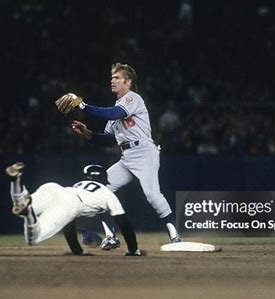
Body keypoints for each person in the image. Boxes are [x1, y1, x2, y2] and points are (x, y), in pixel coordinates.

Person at [55, 63, 183, 249]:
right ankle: (110, 236)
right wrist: (88, 133)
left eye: (116, 77)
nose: (112, 80)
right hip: (127, 156)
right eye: (112, 78)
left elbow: (115, 113)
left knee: (152, 195)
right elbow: (108, 140)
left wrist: (82, 104)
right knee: (99, 191)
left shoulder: (133, 98)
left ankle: (175, 235)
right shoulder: (116, 108)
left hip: (145, 152)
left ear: (127, 81)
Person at [6, 162, 143, 256]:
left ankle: (15, 179)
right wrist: (133, 250)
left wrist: (77, 251)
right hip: (70, 201)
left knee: (19, 207)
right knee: (33, 238)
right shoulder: (108, 194)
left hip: (54, 188)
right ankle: (28, 212)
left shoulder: (79, 184)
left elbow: (68, 223)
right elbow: (124, 225)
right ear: (104, 180)